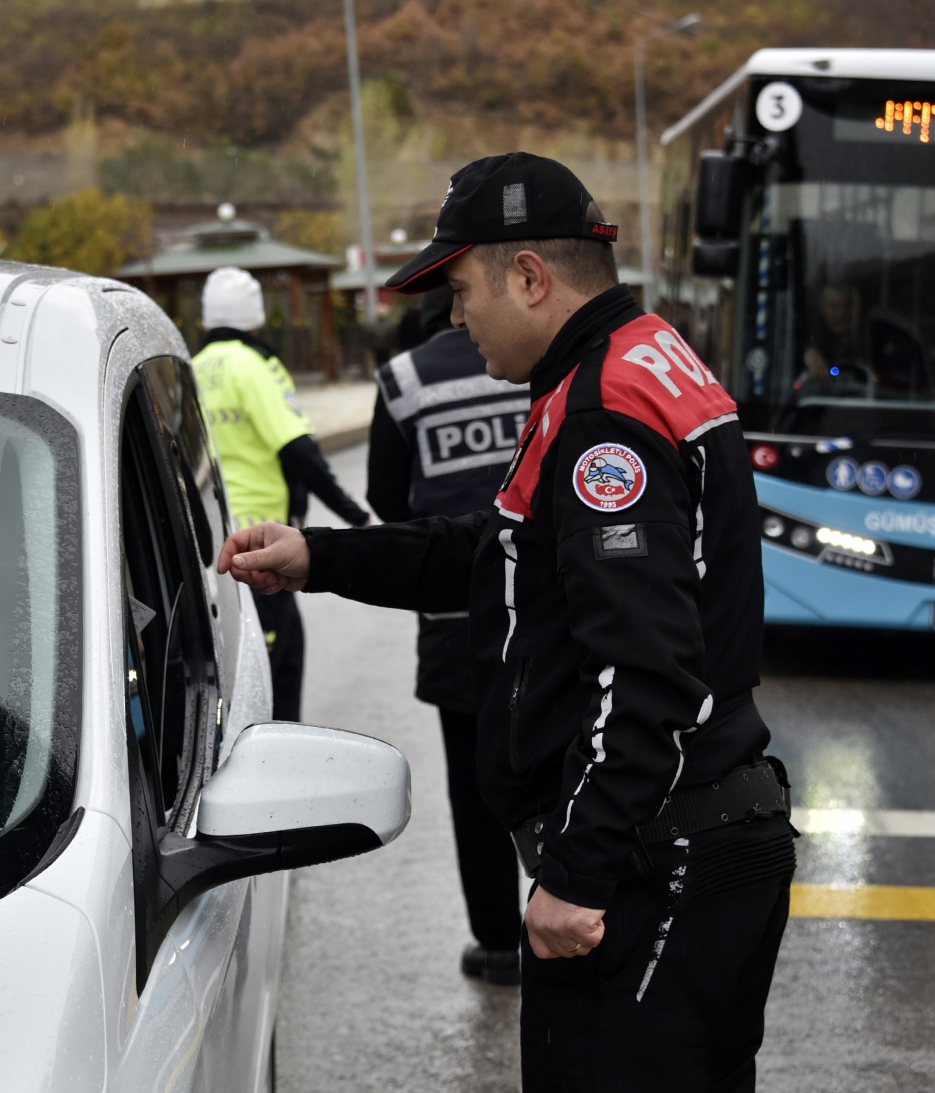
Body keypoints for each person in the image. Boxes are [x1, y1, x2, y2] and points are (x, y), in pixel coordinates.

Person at [217, 153, 795, 1091]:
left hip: (657, 865)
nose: (453, 316)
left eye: (460, 288)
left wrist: (578, 870)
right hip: (699, 846)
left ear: (529, 277)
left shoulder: (604, 413)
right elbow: (503, 554)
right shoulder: (636, 362)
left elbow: (644, 672)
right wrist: (320, 556)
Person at [367, 283, 530, 986]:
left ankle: (498, 944)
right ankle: (591, 918)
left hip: (456, 620)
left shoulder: (402, 381)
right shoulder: (533, 363)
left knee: (478, 784)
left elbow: (385, 499)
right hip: (545, 612)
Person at [192, 266, 369, 722]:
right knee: (280, 666)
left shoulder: (192, 368)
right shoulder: (254, 366)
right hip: (262, 542)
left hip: (210, 540)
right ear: (254, 314)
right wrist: (355, 515)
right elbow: (300, 452)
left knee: (234, 666)